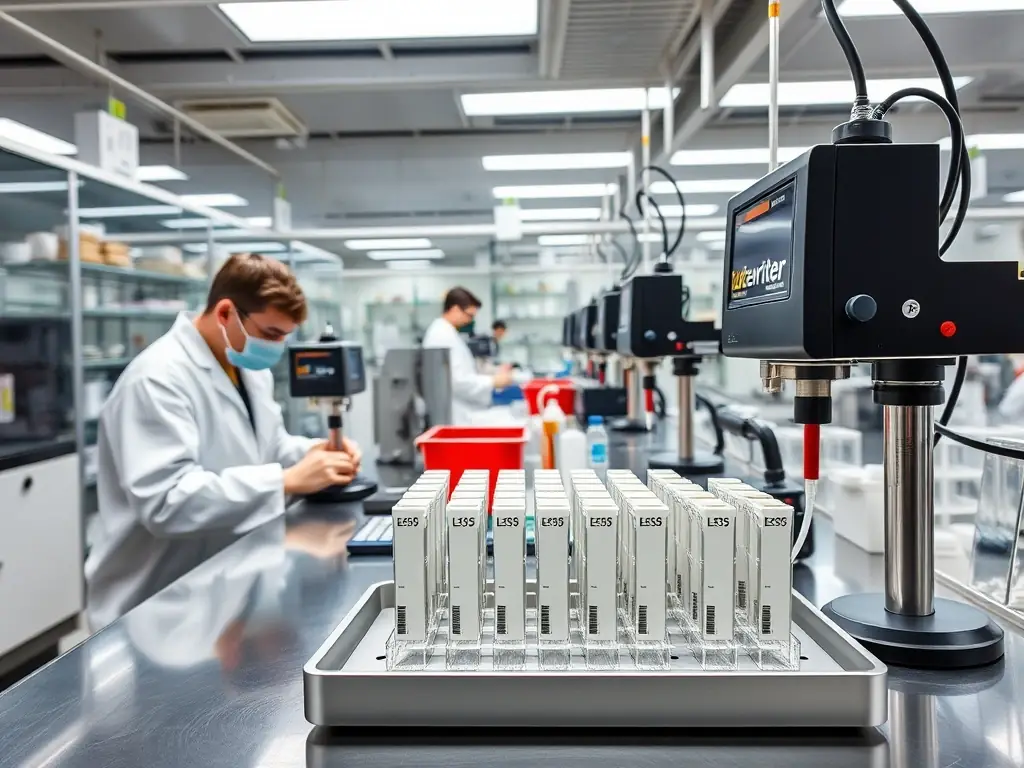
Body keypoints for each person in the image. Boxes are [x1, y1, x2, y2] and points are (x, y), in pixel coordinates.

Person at [85, 253, 362, 629]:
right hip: (157, 605)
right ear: (226, 313)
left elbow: (267, 447)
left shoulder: (247, 367)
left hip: (223, 585)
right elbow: (167, 502)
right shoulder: (156, 379)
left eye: (285, 336)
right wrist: (286, 481)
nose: (278, 347)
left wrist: (317, 453)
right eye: (271, 333)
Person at [422, 287, 513, 424]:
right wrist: (493, 381)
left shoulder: (447, 332)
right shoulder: (441, 336)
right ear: (455, 309)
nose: (470, 321)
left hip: (463, 409)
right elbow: (457, 381)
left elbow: (461, 372)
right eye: (469, 315)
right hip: (457, 414)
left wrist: (492, 375)